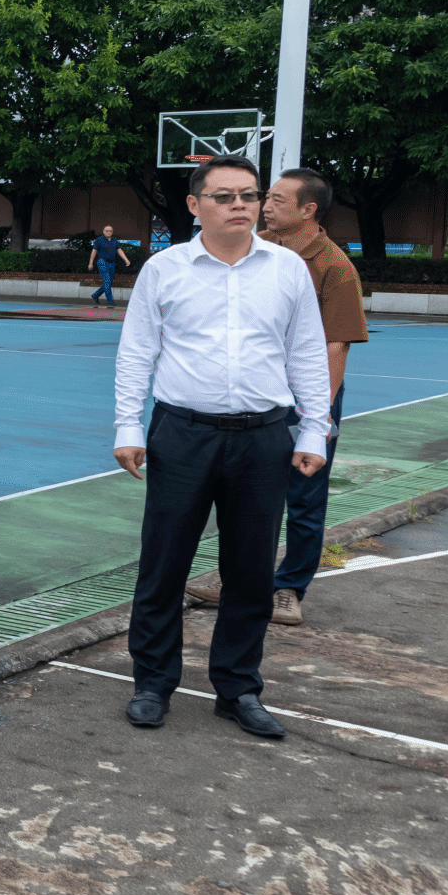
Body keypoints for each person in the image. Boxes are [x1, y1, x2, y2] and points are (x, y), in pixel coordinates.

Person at [114, 154, 330, 740]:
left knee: (251, 571)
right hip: (183, 433)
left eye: (250, 195)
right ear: (194, 205)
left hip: (263, 438)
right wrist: (128, 426)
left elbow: (307, 353)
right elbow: (137, 351)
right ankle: (152, 682)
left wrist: (314, 429)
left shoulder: (287, 269)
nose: (240, 205)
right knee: (164, 563)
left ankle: (237, 688)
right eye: (224, 196)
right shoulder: (165, 270)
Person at [185, 168, 365, 629]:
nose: (264, 206)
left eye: (277, 200)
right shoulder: (255, 247)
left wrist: (316, 417)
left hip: (305, 397)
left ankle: (288, 588)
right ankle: (238, 578)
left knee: (303, 495)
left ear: (308, 210)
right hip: (257, 394)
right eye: (265, 197)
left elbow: (336, 346)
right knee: (245, 494)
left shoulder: (334, 267)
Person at [89, 225, 131, 307]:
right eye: (107, 231)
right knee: (107, 281)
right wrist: (91, 263)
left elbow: (119, 250)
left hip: (112, 263)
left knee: (109, 282)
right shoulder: (99, 240)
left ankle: (95, 295)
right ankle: (110, 300)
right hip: (102, 262)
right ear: (103, 231)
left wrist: (126, 259)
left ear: (112, 232)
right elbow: (94, 251)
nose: (109, 232)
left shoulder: (114, 240)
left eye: (110, 231)